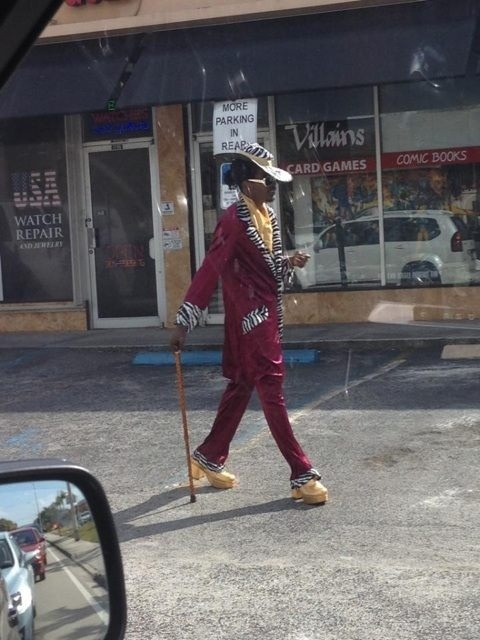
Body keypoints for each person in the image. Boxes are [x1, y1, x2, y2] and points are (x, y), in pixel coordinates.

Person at [170, 142, 328, 505]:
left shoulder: (264, 214)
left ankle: (209, 455)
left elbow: (262, 266)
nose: (273, 186)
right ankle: (301, 472)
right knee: (271, 388)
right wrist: (184, 322)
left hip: (263, 315)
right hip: (252, 319)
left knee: (242, 384)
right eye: (266, 179)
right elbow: (211, 270)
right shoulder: (232, 221)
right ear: (247, 182)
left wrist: (288, 261)